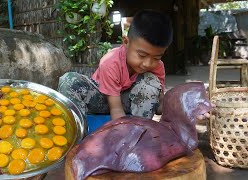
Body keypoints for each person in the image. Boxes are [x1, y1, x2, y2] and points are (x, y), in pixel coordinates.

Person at [58, 9, 211, 121]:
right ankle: (76, 131)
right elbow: (116, 109)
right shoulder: (110, 61)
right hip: (100, 100)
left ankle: (140, 130)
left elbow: (159, 106)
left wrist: (186, 106)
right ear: (126, 42)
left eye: (157, 57)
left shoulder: (157, 68)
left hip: (127, 104)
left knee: (151, 82)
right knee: (69, 79)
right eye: (142, 55)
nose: (148, 63)